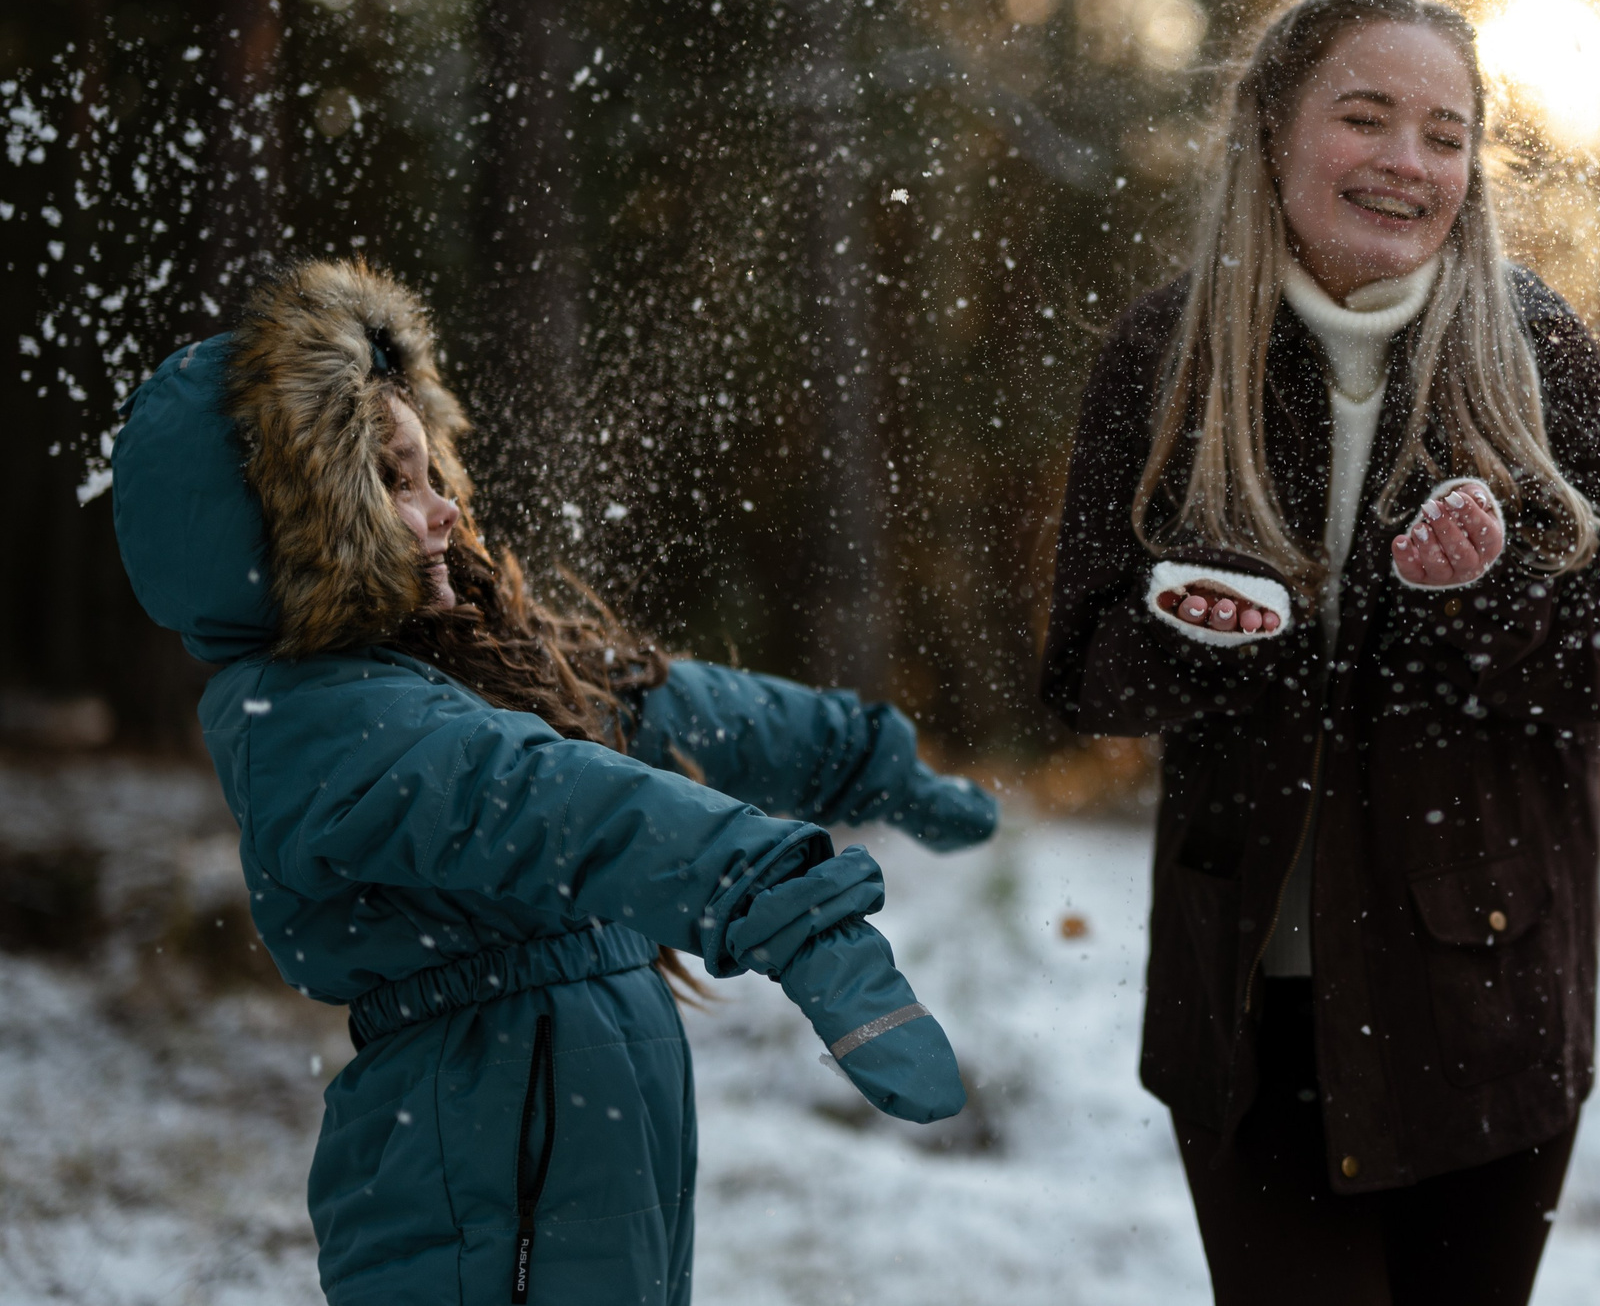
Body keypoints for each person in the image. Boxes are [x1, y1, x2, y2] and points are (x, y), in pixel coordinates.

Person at [110, 258, 998, 1306]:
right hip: (485, 1166)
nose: (441, 508)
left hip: (558, 1136)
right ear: (295, 536)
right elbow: (559, 800)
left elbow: (660, 707)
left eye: (428, 468)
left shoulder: (455, 662)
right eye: (390, 482)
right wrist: (787, 908)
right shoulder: (322, 725)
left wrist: (861, 754)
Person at [1040, 0, 1600, 1306]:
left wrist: (1480, 602)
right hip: (1246, 1019)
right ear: (1272, 128)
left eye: (1445, 134)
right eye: (1367, 116)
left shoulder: (1540, 355)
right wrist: (1210, 628)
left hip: (1483, 1006)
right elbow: (1083, 661)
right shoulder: (1167, 351)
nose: (1406, 162)